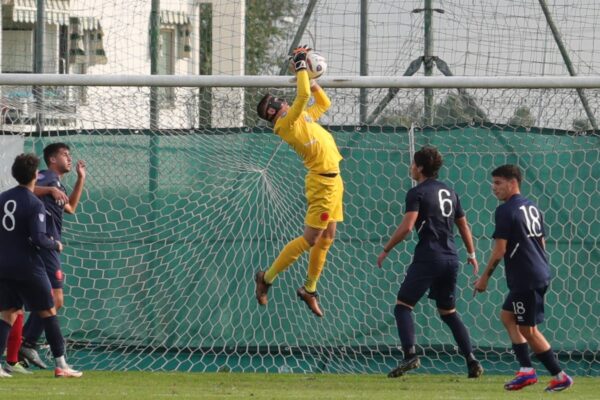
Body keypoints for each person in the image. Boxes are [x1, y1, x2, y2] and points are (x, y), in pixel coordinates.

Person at [377, 146, 483, 378]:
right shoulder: (450, 192)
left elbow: (406, 227)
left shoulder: (417, 192)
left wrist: (386, 249)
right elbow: (463, 225)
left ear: (421, 167)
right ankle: (471, 358)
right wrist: (472, 255)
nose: (411, 167)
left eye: (413, 163)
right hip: (451, 258)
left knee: (402, 306)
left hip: (429, 256)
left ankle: (409, 355)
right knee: (448, 312)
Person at [254, 46, 344, 317]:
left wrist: (314, 83)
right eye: (277, 101)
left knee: (327, 238)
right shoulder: (286, 124)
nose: (283, 101)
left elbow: (322, 104)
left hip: (334, 180)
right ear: (273, 111)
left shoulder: (300, 117)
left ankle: (309, 289)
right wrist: (300, 64)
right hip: (322, 185)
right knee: (310, 239)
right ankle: (266, 278)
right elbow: (302, 94)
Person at [473, 164, 573, 392]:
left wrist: (484, 279)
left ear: (512, 182)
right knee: (508, 316)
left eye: (498, 183)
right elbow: (541, 242)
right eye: (493, 182)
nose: (493, 188)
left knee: (529, 330)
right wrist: (539, 266)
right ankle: (526, 371)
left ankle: (560, 376)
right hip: (536, 272)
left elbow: (499, 250)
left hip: (526, 277)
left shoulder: (505, 210)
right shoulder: (532, 207)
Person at [0, 153, 82, 378]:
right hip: (28, 266)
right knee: (49, 310)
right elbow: (39, 238)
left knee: (7, 314)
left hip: (4, 265)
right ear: (36, 175)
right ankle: (62, 365)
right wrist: (55, 244)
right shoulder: (35, 204)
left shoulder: (3, 198)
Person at [19, 143, 86, 369]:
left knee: (50, 300)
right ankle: (26, 343)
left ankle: (25, 342)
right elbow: (26, 189)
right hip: (45, 245)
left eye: (70, 155)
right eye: (65, 155)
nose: (69, 159)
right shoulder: (46, 177)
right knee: (54, 300)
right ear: (52, 159)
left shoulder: (57, 184)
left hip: (48, 246)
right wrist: (48, 190)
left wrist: (80, 179)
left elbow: (72, 208)